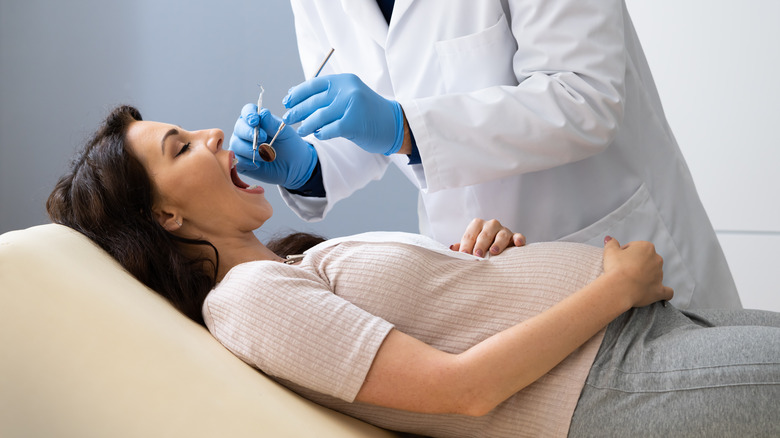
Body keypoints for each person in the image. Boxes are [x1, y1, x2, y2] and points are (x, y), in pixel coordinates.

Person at [47, 106, 779, 437]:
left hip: (640, 343)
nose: (212, 133)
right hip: (612, 383)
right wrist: (612, 289)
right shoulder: (247, 301)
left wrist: (481, 264)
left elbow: (443, 334)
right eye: (181, 148)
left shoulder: (285, 267)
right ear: (168, 219)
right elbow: (462, 392)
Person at [228, 0, 741, 311]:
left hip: (606, 238)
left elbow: (585, 98)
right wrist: (308, 167)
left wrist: (404, 126)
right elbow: (366, 116)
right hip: (474, 265)